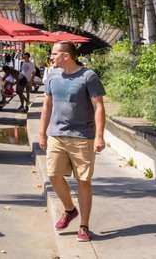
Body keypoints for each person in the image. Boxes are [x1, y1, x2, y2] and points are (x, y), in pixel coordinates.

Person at [37, 41, 106, 243]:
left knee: (83, 181)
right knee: (53, 175)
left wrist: (100, 135)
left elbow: (99, 106)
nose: (51, 57)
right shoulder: (52, 75)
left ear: (67, 56)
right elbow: (46, 105)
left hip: (83, 136)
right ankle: (69, 210)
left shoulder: (88, 76)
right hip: (57, 134)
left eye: (54, 54)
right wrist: (42, 132)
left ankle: (84, 226)